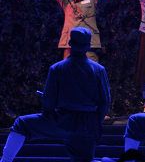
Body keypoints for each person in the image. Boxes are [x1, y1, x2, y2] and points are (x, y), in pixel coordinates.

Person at [1, 27, 110, 162]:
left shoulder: (57, 68)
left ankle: (5, 161)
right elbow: (105, 101)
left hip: (63, 120)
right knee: (84, 160)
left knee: (21, 124)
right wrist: (95, 122)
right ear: (88, 45)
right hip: (88, 124)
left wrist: (51, 117)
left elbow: (49, 100)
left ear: (70, 43)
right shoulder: (99, 70)